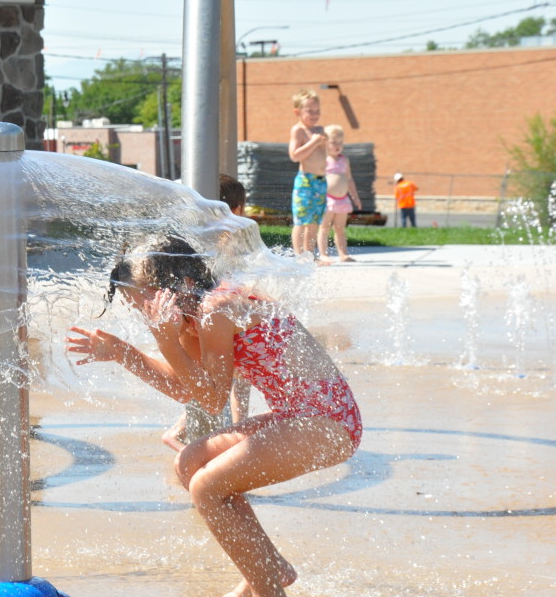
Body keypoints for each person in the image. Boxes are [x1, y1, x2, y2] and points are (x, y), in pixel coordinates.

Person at [67, 236, 362, 597]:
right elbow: (185, 389)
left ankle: (269, 590)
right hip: (299, 415)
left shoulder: (216, 309)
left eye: (143, 300)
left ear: (183, 283)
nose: (142, 311)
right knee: (190, 462)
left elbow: (211, 398)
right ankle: (269, 569)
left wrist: (165, 342)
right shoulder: (194, 319)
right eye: (135, 305)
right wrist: (121, 352)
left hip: (328, 422)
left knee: (207, 488)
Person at [162, 174, 250, 449]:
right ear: (234, 211)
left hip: (202, 324)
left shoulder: (196, 242)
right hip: (214, 324)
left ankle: (232, 429)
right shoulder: (228, 245)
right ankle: (236, 430)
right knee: (231, 378)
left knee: (208, 379)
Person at [287, 89, 328, 259]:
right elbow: (295, 155)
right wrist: (313, 142)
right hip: (305, 182)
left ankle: (310, 255)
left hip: (321, 181)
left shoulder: (320, 129)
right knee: (301, 221)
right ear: (298, 112)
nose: (314, 114)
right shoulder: (299, 130)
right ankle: (298, 255)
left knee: (313, 222)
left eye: (317, 111)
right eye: (309, 111)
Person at [317, 125, 361, 263]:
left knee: (340, 228)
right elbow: (318, 178)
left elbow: (349, 178)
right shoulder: (323, 159)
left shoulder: (344, 160)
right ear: (325, 143)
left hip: (343, 200)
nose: (338, 146)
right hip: (328, 199)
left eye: (340, 142)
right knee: (324, 227)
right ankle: (323, 254)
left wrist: (355, 196)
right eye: (333, 142)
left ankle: (343, 254)